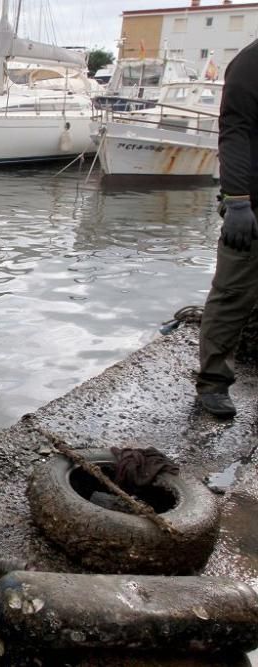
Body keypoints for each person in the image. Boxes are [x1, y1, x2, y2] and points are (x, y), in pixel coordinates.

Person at [196, 38, 258, 418]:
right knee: (232, 294)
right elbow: (234, 131)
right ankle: (213, 382)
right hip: (250, 205)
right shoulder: (250, 64)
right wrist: (237, 199)